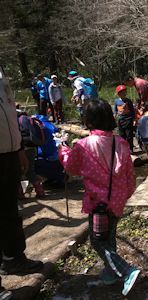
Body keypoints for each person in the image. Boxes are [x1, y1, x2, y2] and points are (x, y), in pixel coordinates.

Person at [58, 100, 139, 296]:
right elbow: (129, 173)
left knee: (97, 241)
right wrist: (126, 193)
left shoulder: (84, 145)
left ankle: (127, 270)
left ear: (89, 120)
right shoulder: (121, 142)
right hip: (118, 199)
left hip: (98, 203)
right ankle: (111, 272)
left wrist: (63, 150)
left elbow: (72, 168)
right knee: (108, 237)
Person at [0, 66, 43, 299]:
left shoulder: (1, 74)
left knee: (10, 211)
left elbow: (7, 113)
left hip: (8, 154)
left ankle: (14, 260)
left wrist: (18, 148)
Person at [34, 114, 65, 187]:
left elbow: (46, 150)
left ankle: (58, 177)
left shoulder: (41, 128)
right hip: (61, 158)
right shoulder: (51, 126)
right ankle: (55, 177)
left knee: (33, 164)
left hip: (52, 159)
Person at [114, 85, 135, 153]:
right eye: (122, 92)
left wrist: (134, 119)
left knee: (129, 135)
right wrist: (115, 115)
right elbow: (115, 110)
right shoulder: (116, 101)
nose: (124, 94)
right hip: (120, 120)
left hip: (128, 119)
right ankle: (123, 148)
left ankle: (130, 148)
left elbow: (132, 110)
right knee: (122, 135)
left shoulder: (128, 101)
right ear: (119, 94)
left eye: (124, 92)